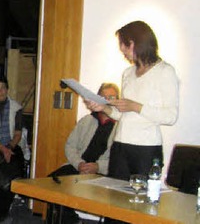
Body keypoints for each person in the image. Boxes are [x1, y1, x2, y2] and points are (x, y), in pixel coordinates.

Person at [85, 21, 179, 180]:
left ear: (136, 42)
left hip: (146, 148)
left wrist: (135, 106)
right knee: (114, 197)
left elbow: (171, 116)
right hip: (120, 145)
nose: (122, 50)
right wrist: (104, 108)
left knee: (141, 199)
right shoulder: (128, 73)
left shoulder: (165, 71)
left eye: (124, 44)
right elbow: (123, 115)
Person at [48, 83, 119, 224]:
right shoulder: (87, 121)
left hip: (101, 173)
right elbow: (70, 146)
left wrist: (98, 167)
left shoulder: (121, 126)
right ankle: (72, 220)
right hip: (78, 166)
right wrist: (79, 163)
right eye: (103, 97)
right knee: (50, 185)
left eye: (111, 97)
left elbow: (118, 159)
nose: (107, 100)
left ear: (117, 99)